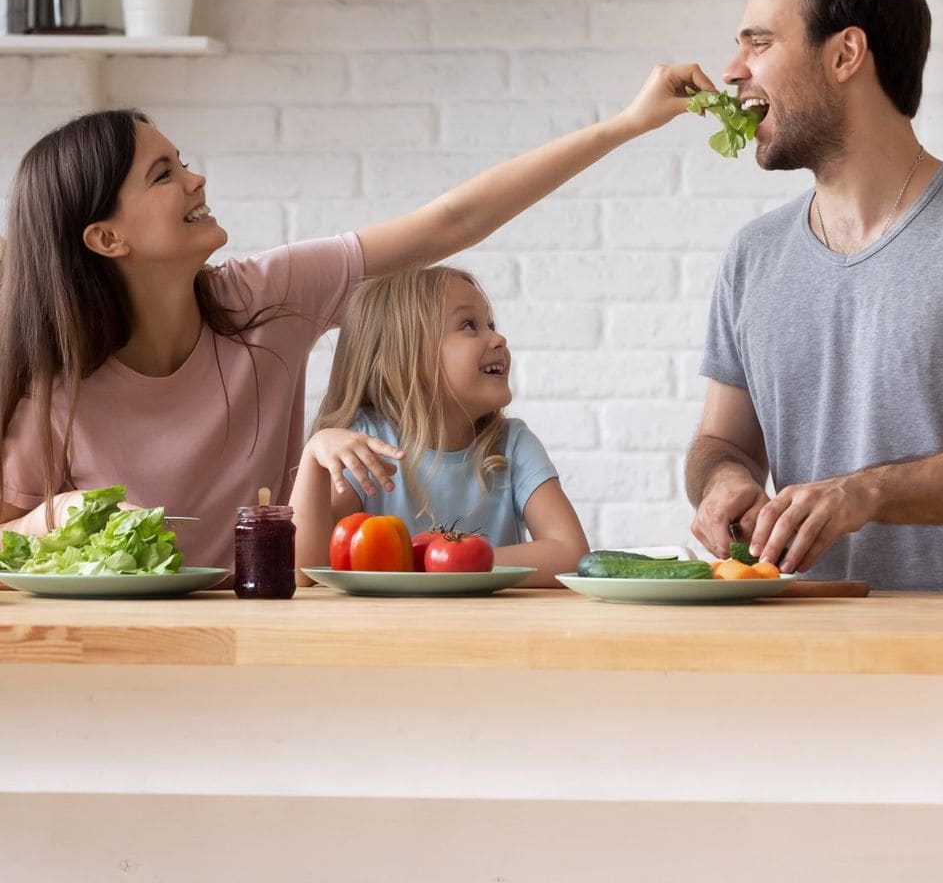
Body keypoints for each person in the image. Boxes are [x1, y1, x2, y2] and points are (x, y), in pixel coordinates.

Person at [0, 61, 713, 570]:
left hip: (267, 630)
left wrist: (626, 124)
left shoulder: (264, 299)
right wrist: (49, 518)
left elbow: (450, 222)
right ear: (106, 239)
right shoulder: (53, 387)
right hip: (126, 655)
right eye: (164, 175)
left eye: (181, 160)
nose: (196, 178)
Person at [685, 0, 943, 592]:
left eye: (759, 44)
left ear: (845, 54)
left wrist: (866, 494)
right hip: (801, 646)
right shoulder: (753, 255)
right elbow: (720, 443)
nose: (732, 71)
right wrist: (725, 482)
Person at [291, 265, 586, 586]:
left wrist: (437, 562)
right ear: (405, 359)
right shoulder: (365, 443)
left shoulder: (513, 444)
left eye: (490, 324)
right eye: (470, 326)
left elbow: (569, 554)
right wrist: (313, 457)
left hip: (494, 630)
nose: (499, 338)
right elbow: (304, 570)